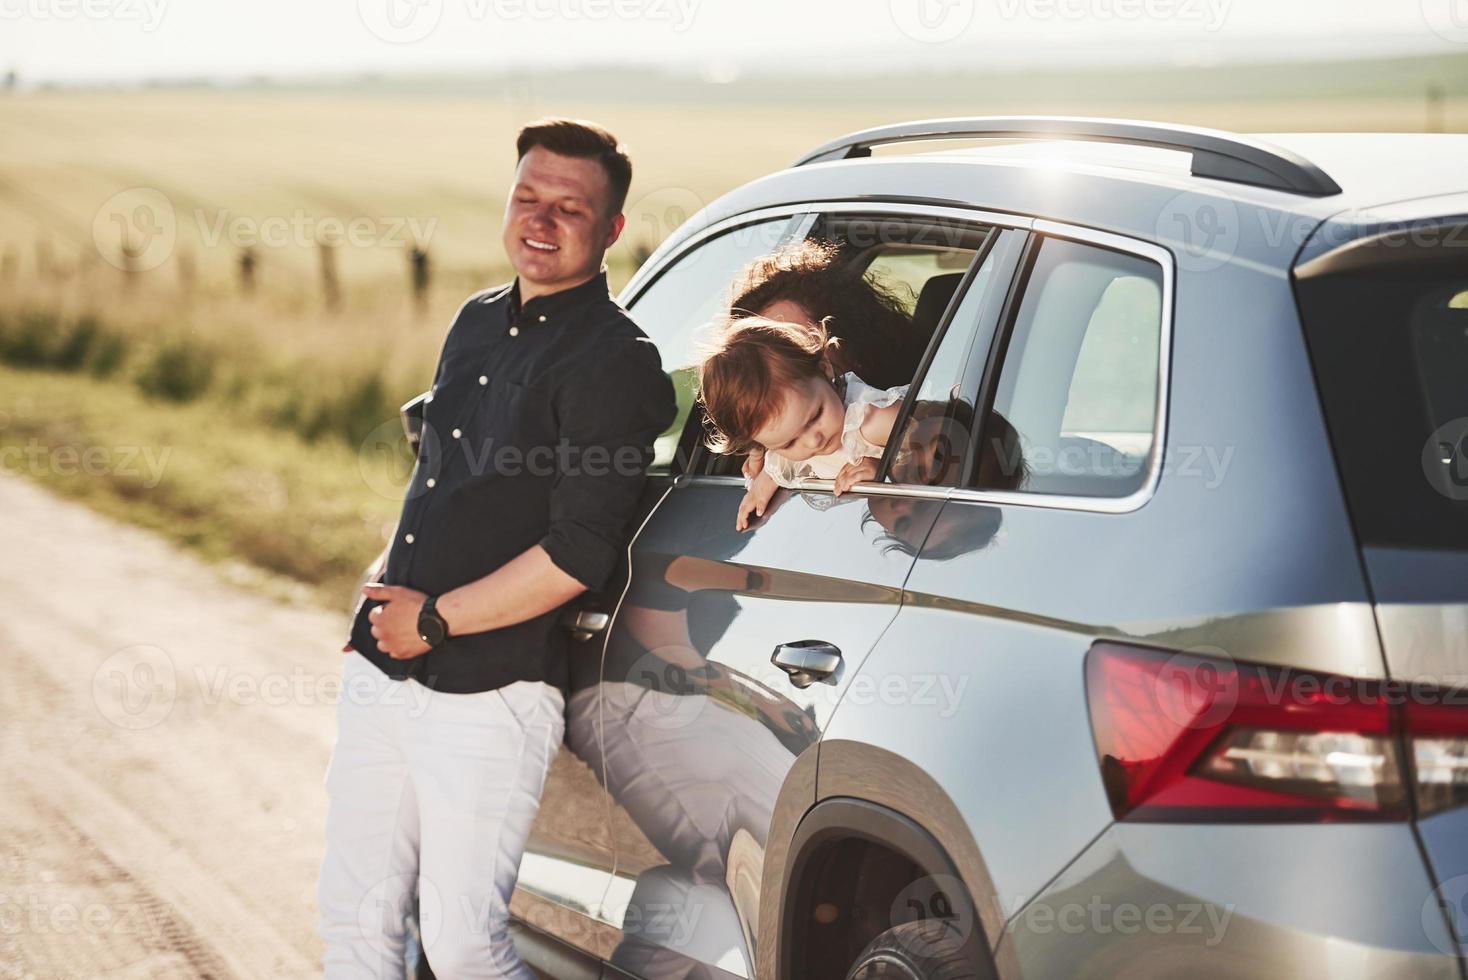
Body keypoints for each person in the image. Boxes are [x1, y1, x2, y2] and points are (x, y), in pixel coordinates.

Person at [319, 118, 676, 979]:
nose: (541, 221)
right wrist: (385, 585)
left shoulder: (617, 362)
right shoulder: (476, 321)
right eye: (527, 197)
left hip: (489, 695)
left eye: (569, 208)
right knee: (353, 920)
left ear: (612, 229)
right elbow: (437, 481)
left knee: (461, 946)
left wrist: (434, 622)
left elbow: (576, 554)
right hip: (384, 667)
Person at [697, 315, 909, 531]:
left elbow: (934, 437)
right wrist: (763, 487)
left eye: (816, 416)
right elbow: (779, 469)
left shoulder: (869, 421)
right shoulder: (785, 454)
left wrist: (885, 469)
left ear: (824, 369)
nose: (814, 441)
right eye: (788, 443)